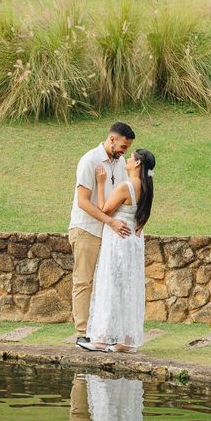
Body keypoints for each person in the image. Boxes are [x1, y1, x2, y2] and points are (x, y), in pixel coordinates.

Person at [69, 122, 136, 351]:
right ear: (111, 139)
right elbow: (83, 202)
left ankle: (101, 331)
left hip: (109, 233)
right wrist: (110, 222)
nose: (124, 151)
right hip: (87, 228)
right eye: (123, 146)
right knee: (84, 280)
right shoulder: (90, 161)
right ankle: (82, 333)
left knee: (106, 282)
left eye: (127, 149)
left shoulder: (119, 165)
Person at [85, 149, 156, 353]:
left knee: (111, 284)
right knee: (128, 288)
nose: (127, 159)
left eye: (131, 157)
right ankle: (126, 340)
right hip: (133, 242)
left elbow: (104, 209)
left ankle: (102, 338)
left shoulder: (126, 187)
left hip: (118, 241)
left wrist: (100, 183)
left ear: (137, 164)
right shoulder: (146, 186)